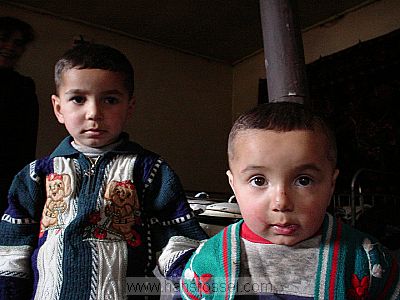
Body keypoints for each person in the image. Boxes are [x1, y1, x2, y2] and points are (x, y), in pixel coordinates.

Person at [0, 42, 208, 299]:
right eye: (78, 99)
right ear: (58, 108)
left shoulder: (151, 171)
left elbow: (179, 240)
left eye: (110, 100)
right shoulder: (34, 175)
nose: (94, 113)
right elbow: (11, 252)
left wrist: (196, 284)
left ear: (128, 108)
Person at [177, 102, 400, 299]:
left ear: (331, 184)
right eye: (258, 180)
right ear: (233, 184)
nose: (281, 202)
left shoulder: (368, 259)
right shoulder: (207, 259)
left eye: (303, 180)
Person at [0, 16, 38, 216]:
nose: (10, 47)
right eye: (4, 39)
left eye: (18, 43)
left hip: (6, 178)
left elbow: (27, 139)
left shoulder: (23, 87)